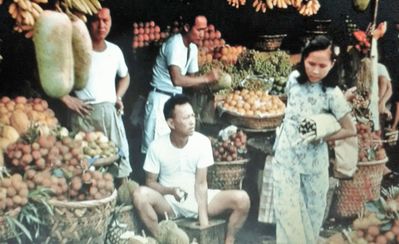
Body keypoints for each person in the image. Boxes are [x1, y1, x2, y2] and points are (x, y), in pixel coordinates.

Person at [272, 35, 356, 243]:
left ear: (332, 64)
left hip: (313, 167)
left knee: (311, 223)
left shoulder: (333, 94)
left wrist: (322, 135)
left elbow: (349, 129)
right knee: (287, 220)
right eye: (311, 63)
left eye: (322, 65)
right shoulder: (292, 80)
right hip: (286, 160)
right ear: (303, 59)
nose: (316, 71)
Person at [133, 95, 250, 244]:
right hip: (170, 203)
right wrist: (170, 191)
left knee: (242, 199)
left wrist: (204, 221)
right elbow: (150, 183)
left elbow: (201, 183)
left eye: (193, 116)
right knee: (139, 194)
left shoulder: (202, 142)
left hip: (201, 199)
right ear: (171, 123)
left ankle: (229, 241)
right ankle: (160, 238)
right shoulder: (156, 147)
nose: (192, 121)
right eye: (186, 118)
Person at [60, 8, 132, 180]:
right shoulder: (75, 49)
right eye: (96, 20)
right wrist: (66, 98)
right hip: (84, 115)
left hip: (109, 115)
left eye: (105, 20)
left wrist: (118, 96)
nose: (101, 25)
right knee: (84, 167)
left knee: (115, 163)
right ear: (87, 22)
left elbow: (125, 76)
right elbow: (52, 75)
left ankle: (114, 199)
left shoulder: (115, 51)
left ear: (111, 21)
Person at [141, 14, 219, 155]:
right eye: (199, 29)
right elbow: (177, 79)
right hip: (160, 99)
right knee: (155, 149)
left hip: (175, 102)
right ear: (187, 27)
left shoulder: (192, 48)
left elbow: (193, 81)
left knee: (171, 151)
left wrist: (214, 90)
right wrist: (207, 78)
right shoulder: (174, 44)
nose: (202, 34)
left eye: (204, 30)